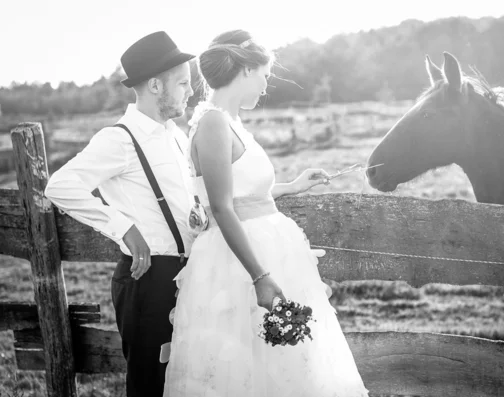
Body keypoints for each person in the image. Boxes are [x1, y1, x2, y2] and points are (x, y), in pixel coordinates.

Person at [162, 29, 369, 396]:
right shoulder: (212, 123)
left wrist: (291, 186)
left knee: (286, 364)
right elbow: (222, 207)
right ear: (245, 71)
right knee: (246, 365)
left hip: (267, 249)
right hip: (241, 263)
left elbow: (240, 192)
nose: (266, 85)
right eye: (265, 75)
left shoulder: (230, 121)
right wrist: (260, 276)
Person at [44, 31, 198, 397]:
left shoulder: (174, 134)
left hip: (189, 273)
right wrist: (123, 227)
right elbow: (60, 185)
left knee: (186, 378)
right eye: (184, 83)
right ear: (156, 85)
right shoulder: (120, 139)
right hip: (149, 280)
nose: (191, 92)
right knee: (149, 383)